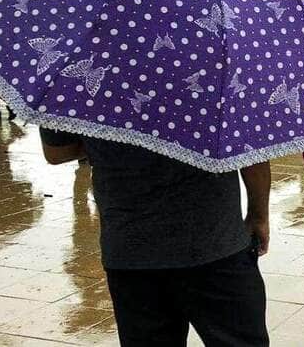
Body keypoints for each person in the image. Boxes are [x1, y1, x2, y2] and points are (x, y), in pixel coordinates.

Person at [39, 130, 271, 346]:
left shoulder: (76, 85)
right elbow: (249, 147)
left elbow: (56, 153)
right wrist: (258, 215)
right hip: (217, 244)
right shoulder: (218, 84)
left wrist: (112, 136)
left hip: (131, 251)